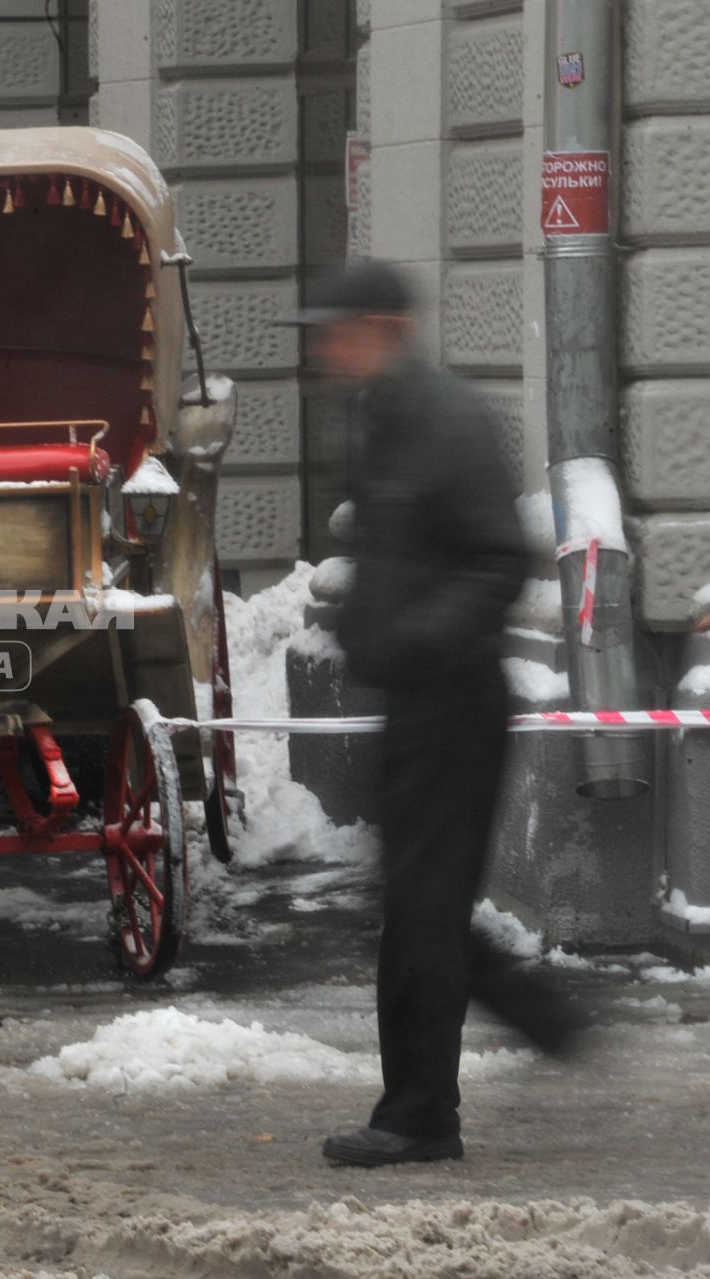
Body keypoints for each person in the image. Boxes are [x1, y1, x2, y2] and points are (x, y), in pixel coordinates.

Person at [279, 259, 580, 1169]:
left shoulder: (445, 418)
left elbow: (500, 560)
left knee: (421, 909)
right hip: (410, 701)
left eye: (336, 329)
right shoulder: (379, 417)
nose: (324, 348)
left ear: (380, 327)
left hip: (452, 700)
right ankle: (528, 1032)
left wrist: (413, 636)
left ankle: (421, 1114)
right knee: (414, 905)